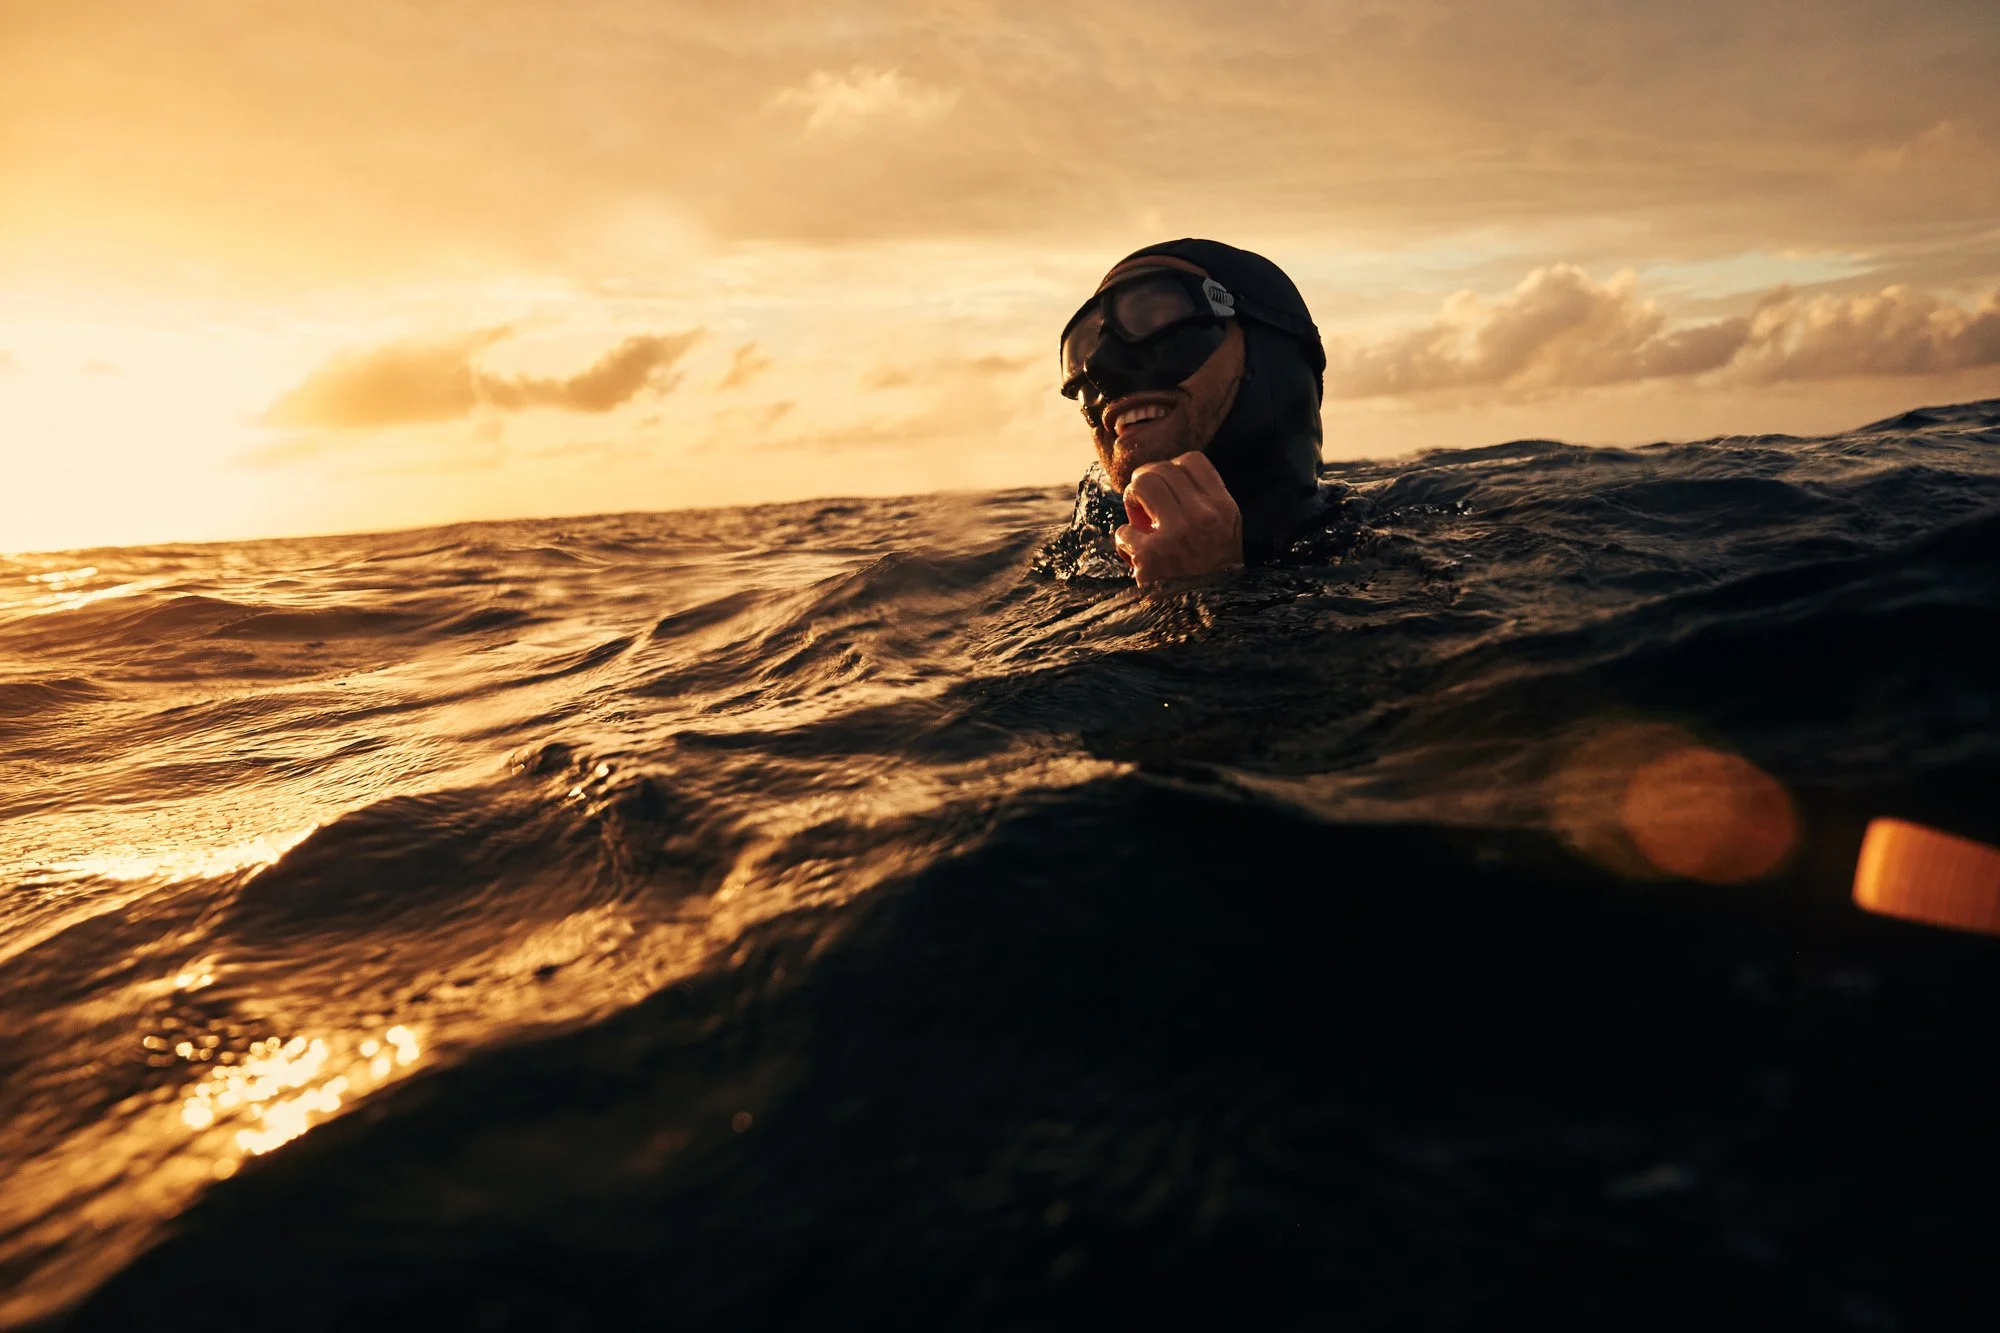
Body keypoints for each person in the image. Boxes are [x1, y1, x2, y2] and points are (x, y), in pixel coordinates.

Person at [1044, 239, 1328, 586]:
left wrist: (1199, 590)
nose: (1099, 365)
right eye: (1084, 345)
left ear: (1272, 354)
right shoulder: (1078, 566)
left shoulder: (1392, 555)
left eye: (1161, 319)